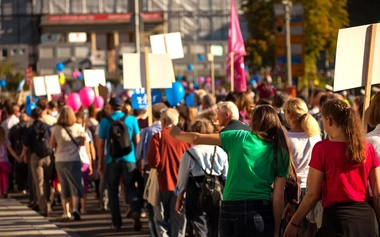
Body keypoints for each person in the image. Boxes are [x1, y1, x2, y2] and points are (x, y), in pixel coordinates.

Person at [170, 104, 291, 237]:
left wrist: (177, 134)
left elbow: (196, 138)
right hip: (260, 209)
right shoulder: (280, 151)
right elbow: (278, 198)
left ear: (254, 122)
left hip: (231, 206)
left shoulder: (239, 137)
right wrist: (276, 230)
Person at [284, 99, 380, 236]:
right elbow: (377, 192)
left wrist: (294, 222)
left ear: (328, 120)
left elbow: (312, 194)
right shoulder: (367, 148)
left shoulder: (322, 149)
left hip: (338, 220)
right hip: (366, 220)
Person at [175, 119, 228, 237]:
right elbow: (226, 176)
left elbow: (182, 180)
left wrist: (179, 199)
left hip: (196, 192)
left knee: (200, 226)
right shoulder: (220, 151)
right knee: (216, 226)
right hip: (217, 191)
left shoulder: (189, 153)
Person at [97, 97, 142, 230]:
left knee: (113, 191)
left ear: (110, 107)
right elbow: (137, 141)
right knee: (131, 188)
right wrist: (139, 160)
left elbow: (100, 144)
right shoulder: (131, 119)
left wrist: (100, 162)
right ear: (122, 107)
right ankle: (135, 211)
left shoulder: (105, 122)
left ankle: (116, 223)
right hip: (130, 159)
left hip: (112, 160)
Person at [147, 108, 190, 237]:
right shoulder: (185, 137)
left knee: (160, 219)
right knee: (179, 219)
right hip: (182, 184)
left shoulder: (158, 136)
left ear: (164, 121)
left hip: (163, 183)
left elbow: (154, 162)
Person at [283, 98, 321, 236]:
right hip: (312, 189)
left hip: (290, 190)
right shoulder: (315, 137)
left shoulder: (286, 138)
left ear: (290, 115)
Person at [135, 102, 167, 237]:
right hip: (167, 167)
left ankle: (154, 232)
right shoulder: (173, 132)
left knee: (152, 200)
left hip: (151, 168)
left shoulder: (147, 131)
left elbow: (138, 153)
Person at [49, 106, 85, 220]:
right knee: (75, 184)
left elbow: (51, 146)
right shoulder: (78, 127)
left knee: (64, 185)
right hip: (74, 159)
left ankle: (66, 211)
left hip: (60, 159)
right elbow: (82, 144)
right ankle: (75, 208)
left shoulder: (55, 129)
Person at [21, 107, 53, 217]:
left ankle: (43, 207)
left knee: (38, 182)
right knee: (48, 181)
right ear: (41, 116)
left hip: (35, 156)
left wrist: (25, 156)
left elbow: (25, 145)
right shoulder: (48, 128)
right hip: (48, 156)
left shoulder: (29, 129)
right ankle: (49, 203)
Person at [0, 126, 19, 198]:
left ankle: (0, 192)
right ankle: (5, 191)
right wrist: (17, 157)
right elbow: (11, 151)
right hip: (5, 161)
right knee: (5, 177)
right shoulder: (6, 141)